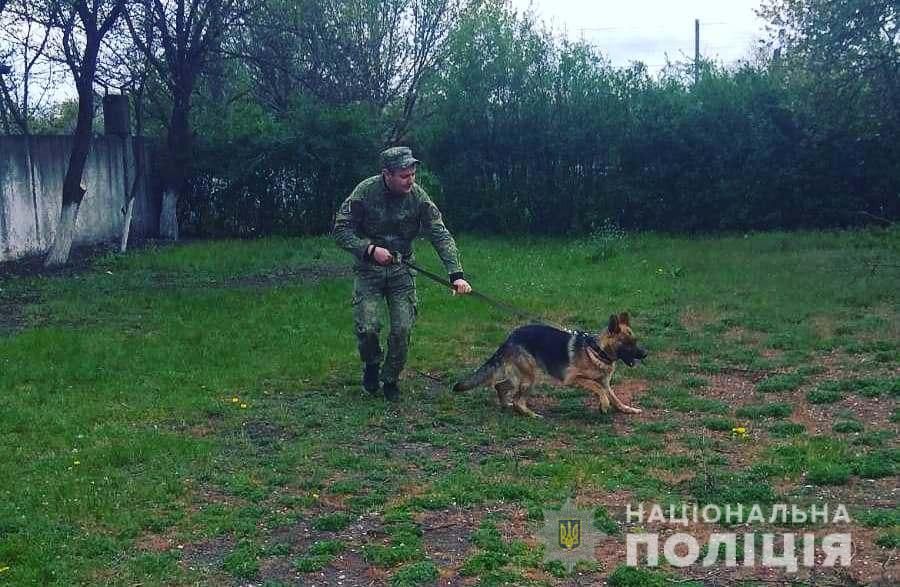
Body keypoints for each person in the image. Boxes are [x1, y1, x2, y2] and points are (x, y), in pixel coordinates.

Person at [333, 147, 472, 401]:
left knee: (402, 329)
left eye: (413, 174)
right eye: (404, 176)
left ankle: (390, 379)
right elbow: (341, 231)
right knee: (367, 327)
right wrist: (370, 250)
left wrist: (456, 274)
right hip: (369, 271)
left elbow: (439, 233)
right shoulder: (364, 192)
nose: (411, 180)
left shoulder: (418, 196)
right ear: (387, 174)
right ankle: (372, 365)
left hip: (402, 271)